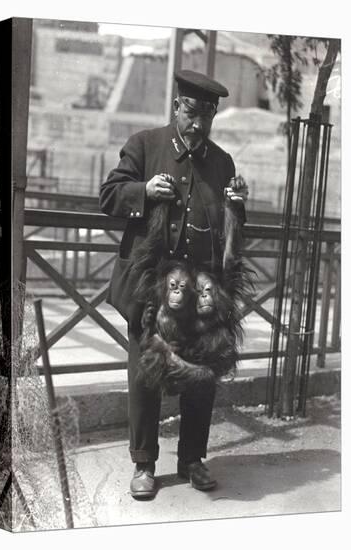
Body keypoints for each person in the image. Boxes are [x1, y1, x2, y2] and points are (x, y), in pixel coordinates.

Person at [99, 69, 248, 499]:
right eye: (192, 112)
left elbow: (229, 229)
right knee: (146, 375)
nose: (198, 124)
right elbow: (109, 195)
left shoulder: (222, 162)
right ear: (177, 107)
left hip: (200, 293)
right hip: (150, 289)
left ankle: (192, 460)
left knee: (202, 375)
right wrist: (143, 189)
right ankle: (144, 464)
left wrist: (237, 207)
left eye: (207, 116)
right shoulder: (145, 144)